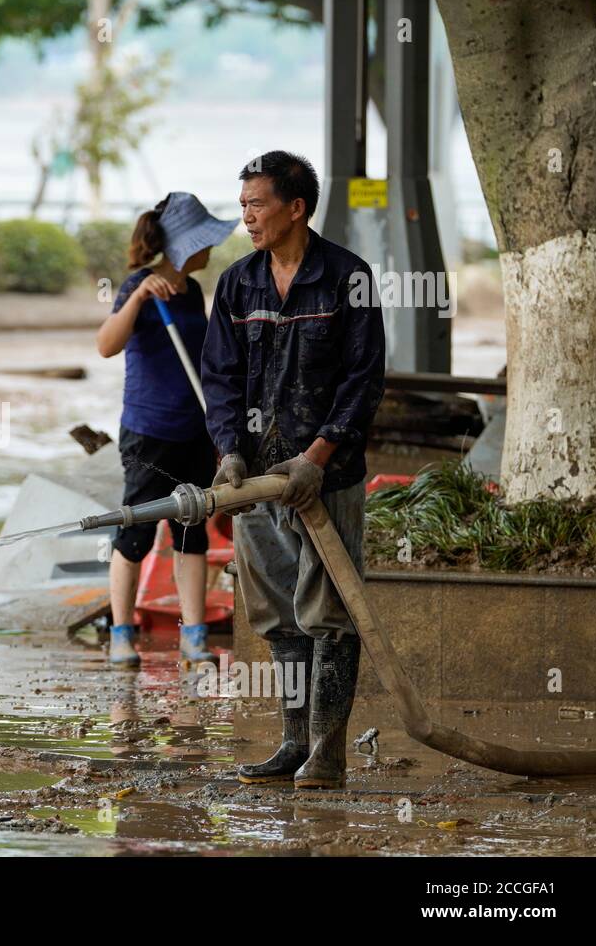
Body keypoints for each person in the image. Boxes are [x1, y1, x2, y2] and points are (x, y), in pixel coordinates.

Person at [201, 150, 385, 789]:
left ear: (296, 207)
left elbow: (363, 382)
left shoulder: (347, 278)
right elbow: (220, 378)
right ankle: (292, 744)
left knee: (328, 614)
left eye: (257, 204)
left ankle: (327, 753)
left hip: (323, 481)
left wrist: (318, 456)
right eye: (243, 203)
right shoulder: (238, 283)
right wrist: (228, 451)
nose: (245, 216)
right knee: (279, 615)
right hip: (255, 484)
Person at [96, 192, 238, 668]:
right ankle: (121, 634)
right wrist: (137, 297)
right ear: (182, 246)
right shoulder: (138, 284)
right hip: (148, 432)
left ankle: (193, 637)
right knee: (134, 534)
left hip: (194, 431)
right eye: (204, 242)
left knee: (191, 532)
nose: (210, 250)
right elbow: (105, 345)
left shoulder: (194, 292)